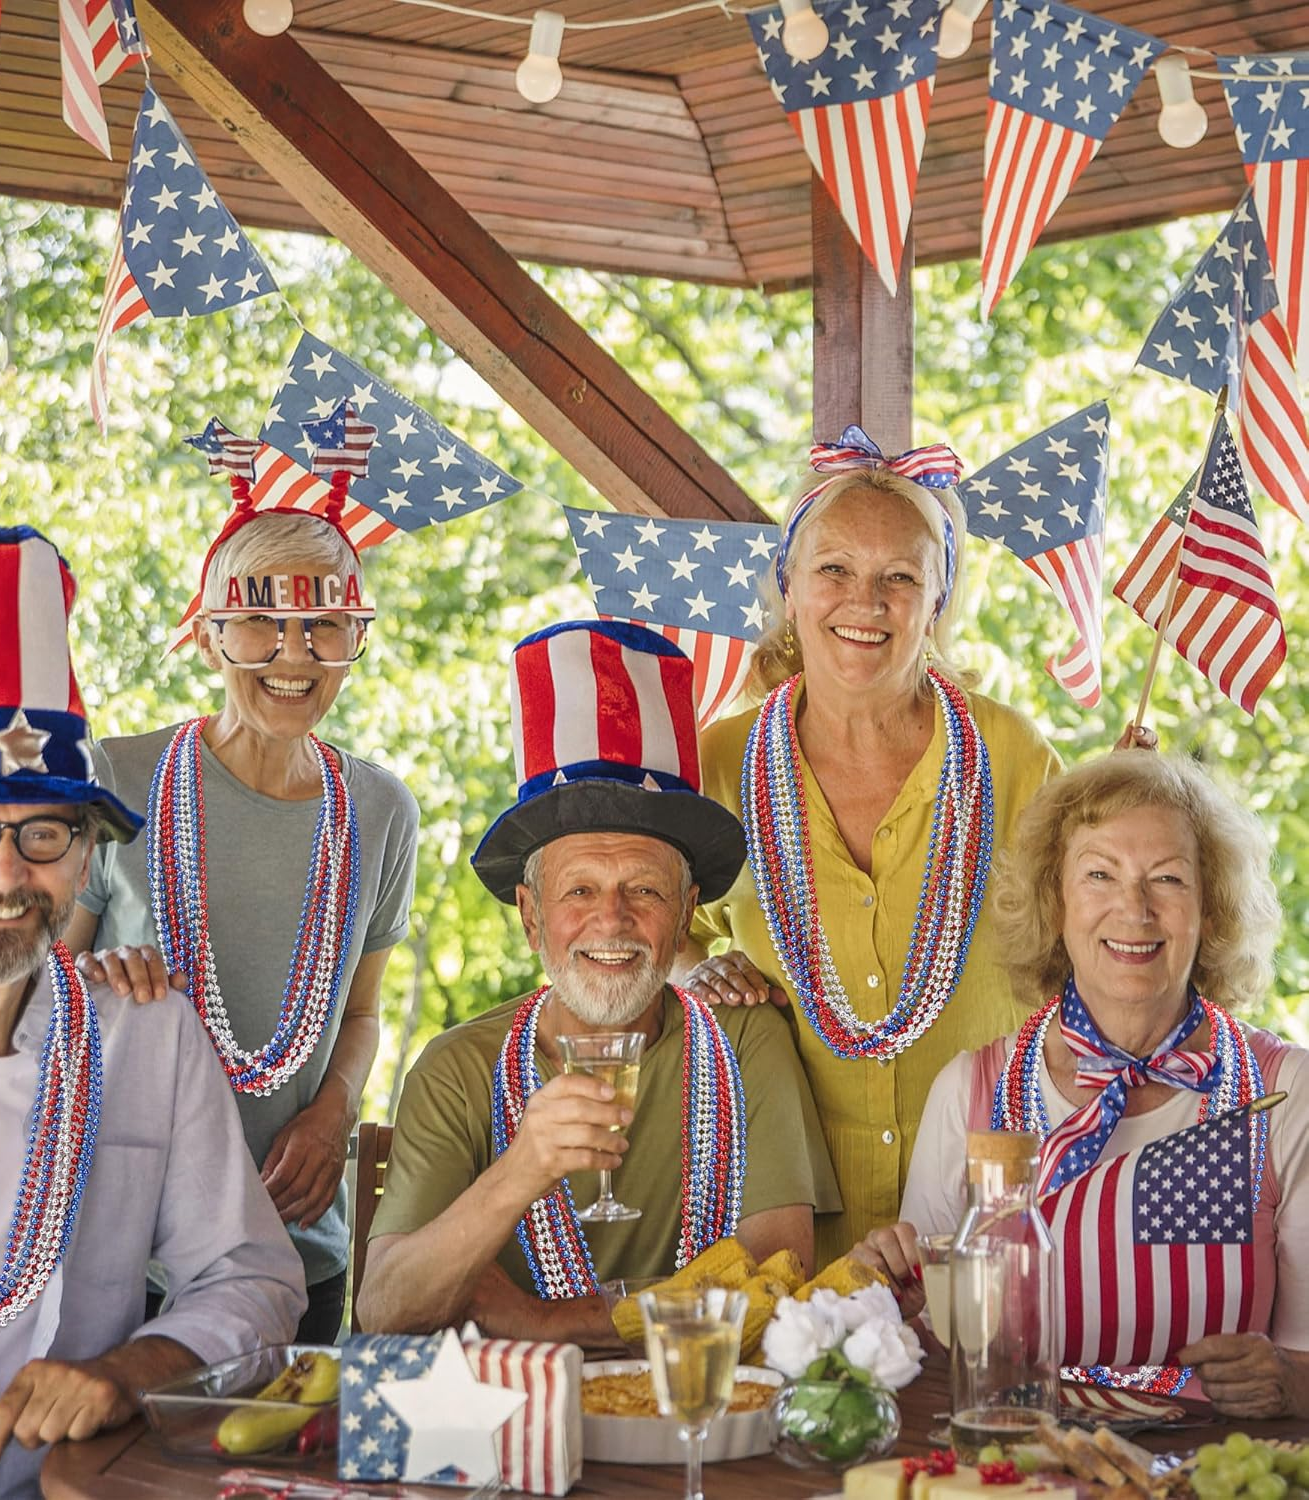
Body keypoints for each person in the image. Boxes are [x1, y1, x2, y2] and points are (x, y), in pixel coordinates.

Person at [0, 526, 305, 1500]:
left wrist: (125, 1374)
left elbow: (255, 1281)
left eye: (44, 833)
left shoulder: (146, 1034)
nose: (6, 871)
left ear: (85, 862)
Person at [358, 621, 837, 1342]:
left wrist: (541, 1319)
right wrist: (523, 1169)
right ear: (530, 915)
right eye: (578, 891)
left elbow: (776, 1276)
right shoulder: (459, 1068)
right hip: (510, 1432)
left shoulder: (745, 1041)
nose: (610, 920)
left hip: (694, 1419)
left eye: (643, 890)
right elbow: (387, 1309)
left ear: (684, 917)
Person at [677, 428, 1066, 1265]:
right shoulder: (717, 761)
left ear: (937, 602)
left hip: (985, 1227)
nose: (867, 600)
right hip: (785, 1241)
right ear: (789, 587)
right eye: (835, 570)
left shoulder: (1011, 754)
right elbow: (646, 920)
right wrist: (690, 968)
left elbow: (1085, 946)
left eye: (901, 577)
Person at [63, 487, 419, 1343]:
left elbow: (362, 1012)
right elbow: (36, 993)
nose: (293, 653)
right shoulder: (116, 776)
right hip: (126, 1249)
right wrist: (97, 982)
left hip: (299, 1243)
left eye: (323, 625)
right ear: (212, 633)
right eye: (261, 621)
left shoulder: (381, 809)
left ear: (353, 640)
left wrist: (334, 1108)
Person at [860, 752, 1308, 1417]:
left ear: (1210, 910)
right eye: (1100, 874)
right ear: (1055, 902)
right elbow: (931, 1350)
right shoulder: (971, 1092)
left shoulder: (1284, 1094)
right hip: (1014, 1467)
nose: (1135, 908)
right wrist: (890, 1295)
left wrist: (1291, 1383)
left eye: (1168, 879)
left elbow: (1304, 1360)